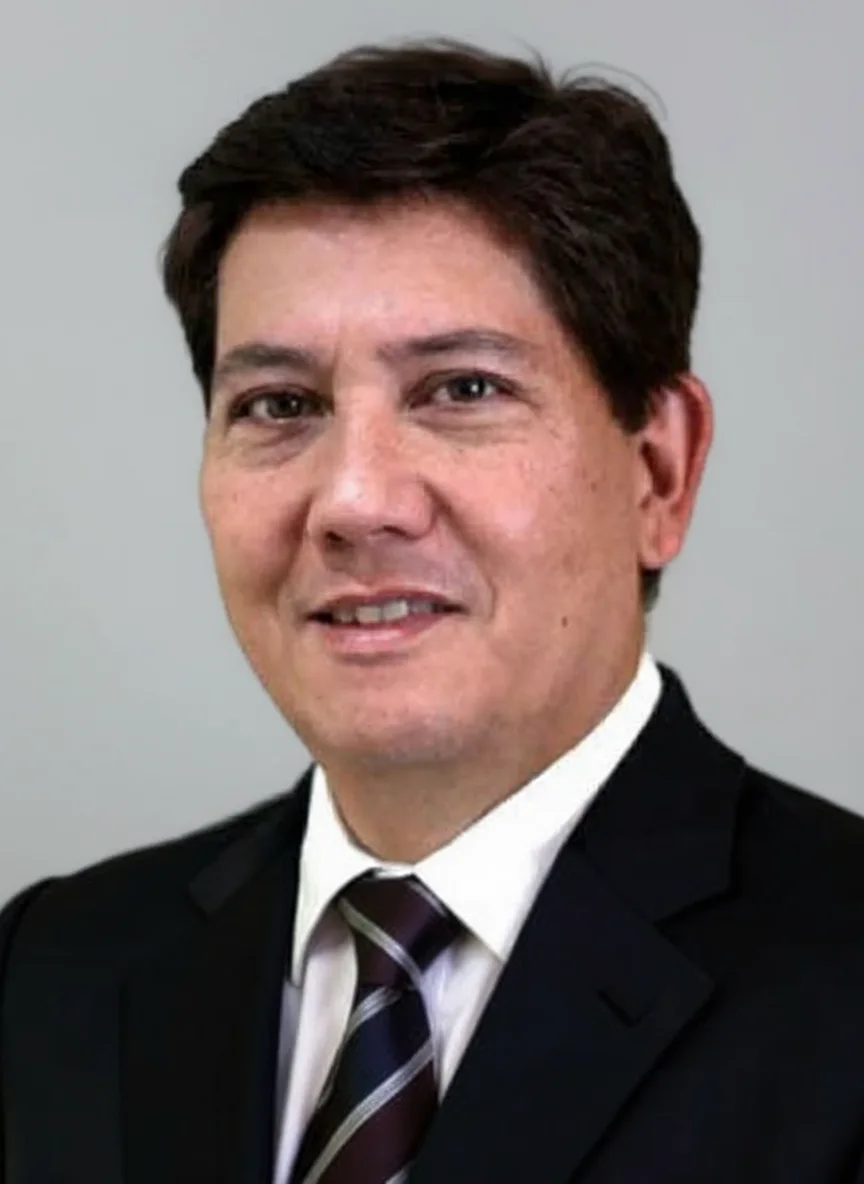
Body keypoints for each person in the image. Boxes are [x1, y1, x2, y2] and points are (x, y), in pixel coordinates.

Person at [2, 37, 864, 1184]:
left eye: (463, 389)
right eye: (280, 404)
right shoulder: (52, 971)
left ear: (659, 470)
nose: (355, 500)